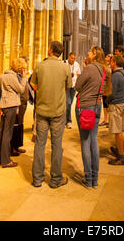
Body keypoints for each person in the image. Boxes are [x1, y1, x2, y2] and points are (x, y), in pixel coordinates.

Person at [31, 41, 72, 188]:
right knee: (56, 145)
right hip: (58, 111)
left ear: (50, 49)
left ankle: (37, 179)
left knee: (40, 144)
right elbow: (68, 87)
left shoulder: (40, 66)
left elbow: (33, 85)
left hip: (42, 110)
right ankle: (55, 179)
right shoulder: (65, 67)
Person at [75, 46, 111, 189]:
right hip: (97, 106)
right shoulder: (105, 70)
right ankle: (95, 179)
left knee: (85, 141)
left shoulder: (90, 68)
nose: (87, 53)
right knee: (93, 141)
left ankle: (88, 178)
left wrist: (85, 67)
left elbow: (77, 86)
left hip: (85, 107)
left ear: (95, 55)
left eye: (90, 51)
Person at [0, 58, 27, 168]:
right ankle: (5, 160)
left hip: (3, 106)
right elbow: (21, 90)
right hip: (11, 106)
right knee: (7, 133)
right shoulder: (12, 77)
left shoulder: (2, 76)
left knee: (1, 132)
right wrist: (24, 78)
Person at [107, 55, 124, 165]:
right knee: (119, 128)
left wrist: (107, 101)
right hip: (123, 102)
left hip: (117, 104)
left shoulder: (115, 75)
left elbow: (112, 93)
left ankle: (121, 157)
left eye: (111, 61)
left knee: (117, 131)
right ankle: (119, 149)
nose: (110, 63)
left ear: (114, 62)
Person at [10, 56, 30, 156]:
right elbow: (18, 90)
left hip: (23, 103)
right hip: (18, 104)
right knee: (15, 125)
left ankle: (17, 146)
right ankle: (13, 147)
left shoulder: (20, 76)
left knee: (20, 124)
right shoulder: (16, 77)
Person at [64, 52, 81, 129]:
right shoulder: (64, 63)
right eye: (71, 58)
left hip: (73, 86)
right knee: (67, 103)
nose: (73, 60)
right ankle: (69, 121)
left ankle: (65, 119)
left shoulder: (77, 64)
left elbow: (78, 75)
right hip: (66, 86)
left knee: (69, 103)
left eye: (74, 58)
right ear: (68, 57)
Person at [99, 53, 112, 127]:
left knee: (109, 105)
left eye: (108, 56)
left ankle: (110, 120)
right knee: (104, 104)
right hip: (104, 88)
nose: (106, 57)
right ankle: (105, 119)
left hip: (109, 88)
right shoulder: (104, 66)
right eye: (106, 56)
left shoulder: (111, 67)